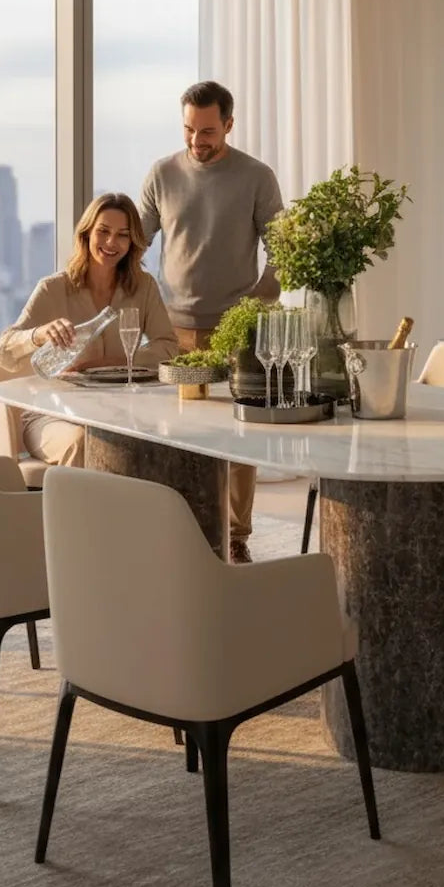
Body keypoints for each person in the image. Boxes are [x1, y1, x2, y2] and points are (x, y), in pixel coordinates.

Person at [140, 80, 284, 564]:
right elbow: (133, 244)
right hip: (174, 327)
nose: (196, 141)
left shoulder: (257, 177)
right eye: (188, 130)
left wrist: (255, 307)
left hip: (236, 328)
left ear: (228, 124)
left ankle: (236, 536)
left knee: (237, 434)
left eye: (207, 131)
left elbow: (282, 250)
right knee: (178, 432)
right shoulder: (161, 174)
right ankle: (181, 533)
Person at [0, 192, 178, 467]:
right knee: (82, 442)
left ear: (133, 242)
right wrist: (39, 334)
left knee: (167, 445)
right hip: (53, 414)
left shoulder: (143, 287)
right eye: (103, 231)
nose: (111, 243)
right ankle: (75, 512)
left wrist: (110, 363)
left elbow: (168, 347)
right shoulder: (53, 288)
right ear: (86, 234)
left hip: (119, 412)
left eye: (122, 235)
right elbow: (4, 353)